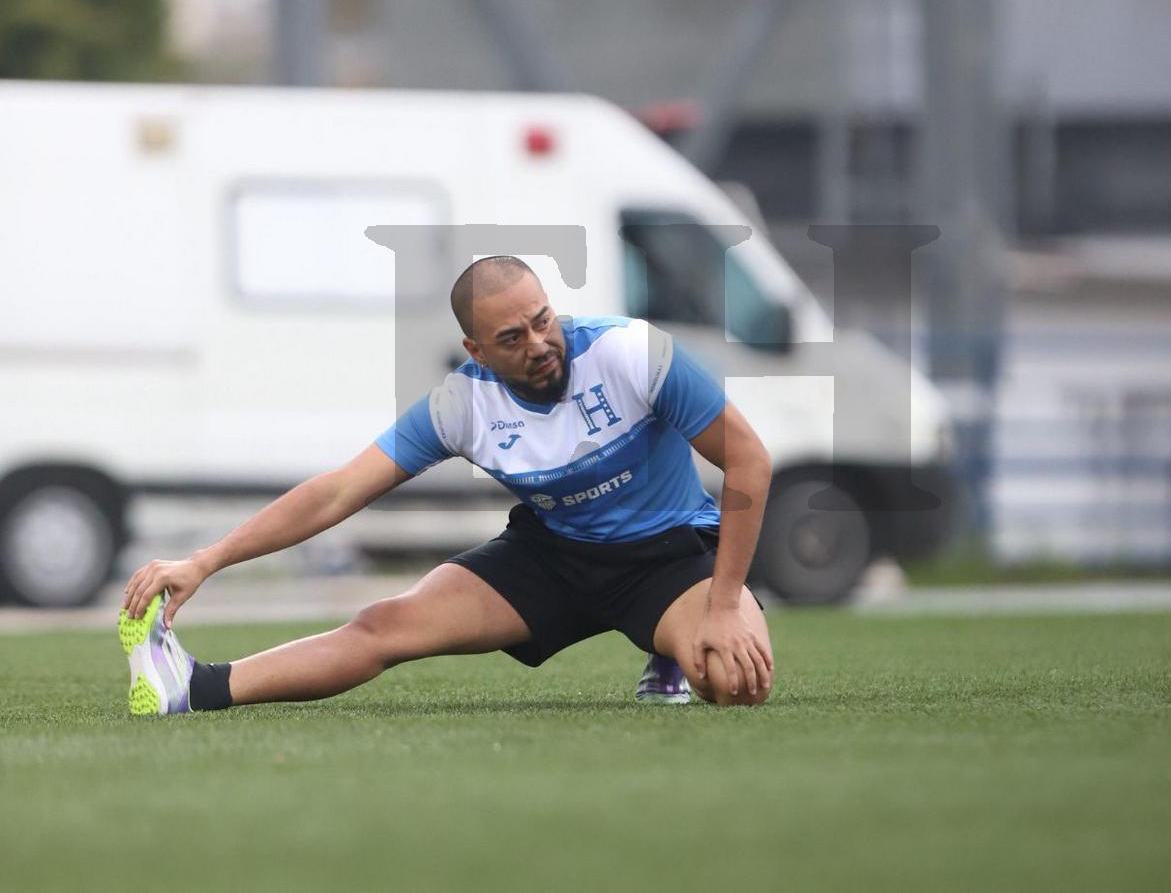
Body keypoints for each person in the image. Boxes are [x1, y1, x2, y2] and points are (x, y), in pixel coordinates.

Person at [118, 256, 775, 715]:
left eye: (543, 319)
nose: (540, 343)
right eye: (511, 338)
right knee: (384, 625)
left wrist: (721, 604)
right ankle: (192, 687)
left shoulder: (632, 352)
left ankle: (670, 647)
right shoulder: (462, 405)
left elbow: (749, 462)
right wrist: (204, 561)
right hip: (555, 558)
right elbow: (338, 492)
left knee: (733, 682)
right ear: (476, 350)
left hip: (669, 558)